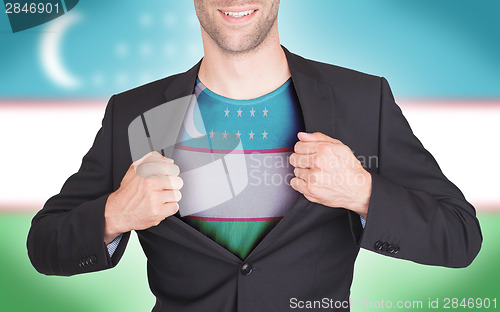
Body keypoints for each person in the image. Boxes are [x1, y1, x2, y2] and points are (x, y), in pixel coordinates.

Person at [27, 1, 482, 311]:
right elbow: (45, 246)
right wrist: (114, 214)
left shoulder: (362, 100)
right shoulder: (137, 113)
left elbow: (460, 237)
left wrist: (363, 192)